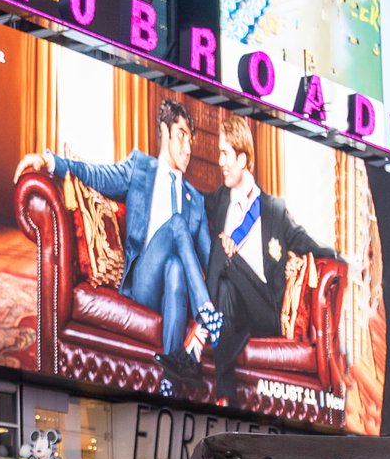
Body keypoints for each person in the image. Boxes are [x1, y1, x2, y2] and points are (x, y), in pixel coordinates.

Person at [19, 99, 221, 391]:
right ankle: (207, 315)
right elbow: (96, 175)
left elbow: (209, 259)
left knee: (177, 268)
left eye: (191, 140)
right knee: (177, 224)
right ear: (164, 132)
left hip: (176, 291)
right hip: (143, 284)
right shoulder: (140, 168)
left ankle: (170, 378)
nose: (188, 148)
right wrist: (50, 162)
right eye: (181, 136)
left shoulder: (196, 200)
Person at [202, 114, 333, 404]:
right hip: (234, 309)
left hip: (265, 311)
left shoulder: (273, 209)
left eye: (225, 153)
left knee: (225, 251)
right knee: (225, 286)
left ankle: (203, 322)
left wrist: (340, 256)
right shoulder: (219, 200)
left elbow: (307, 241)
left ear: (242, 159)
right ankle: (226, 395)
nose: (219, 161)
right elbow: (189, 200)